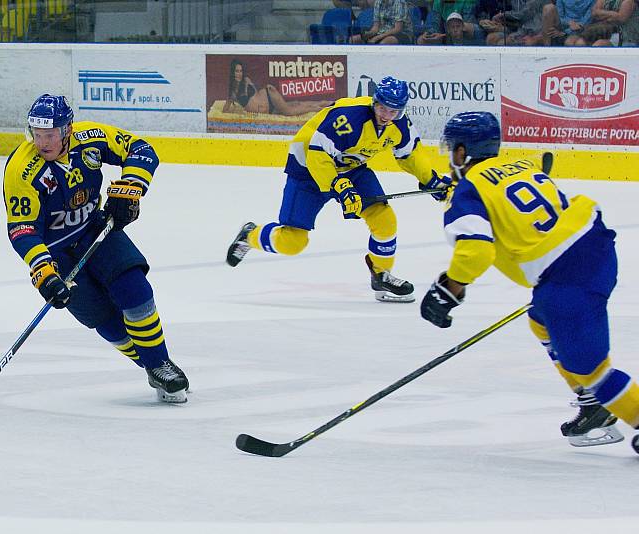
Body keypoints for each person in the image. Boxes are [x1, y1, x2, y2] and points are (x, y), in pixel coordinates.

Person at [421, 111, 639, 453]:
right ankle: (589, 399)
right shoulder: (522, 166)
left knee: (591, 369)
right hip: (594, 247)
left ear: (461, 152)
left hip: (568, 278)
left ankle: (611, 403)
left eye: (451, 148)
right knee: (540, 319)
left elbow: (477, 252)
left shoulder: (467, 193)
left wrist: (449, 288)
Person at [2, 94, 189, 403]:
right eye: (36, 134)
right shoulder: (21, 170)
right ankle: (149, 364)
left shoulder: (90, 137)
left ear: (67, 130)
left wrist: (131, 187)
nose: (42, 142)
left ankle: (160, 364)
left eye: (49, 134)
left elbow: (140, 149)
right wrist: (44, 271)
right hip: (57, 254)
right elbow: (22, 230)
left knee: (136, 290)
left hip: (95, 230)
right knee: (105, 320)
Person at [226, 76, 451, 303]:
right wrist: (340, 187)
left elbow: (410, 154)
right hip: (308, 170)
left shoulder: (399, 124)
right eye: (382, 108)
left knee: (384, 219)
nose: (386, 116)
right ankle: (250, 235)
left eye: (394, 112)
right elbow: (318, 154)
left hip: (350, 167)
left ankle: (381, 274)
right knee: (292, 242)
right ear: (375, 102)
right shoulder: (350, 117)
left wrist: (431, 180)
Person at [222, 59, 333, 116]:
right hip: (270, 110)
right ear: (232, 72)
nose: (239, 74)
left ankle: (324, 110)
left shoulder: (246, 81)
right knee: (296, 105)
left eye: (241, 71)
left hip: (269, 95)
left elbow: (256, 95)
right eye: (237, 71)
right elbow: (224, 112)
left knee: (290, 111)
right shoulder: (232, 93)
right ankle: (326, 103)